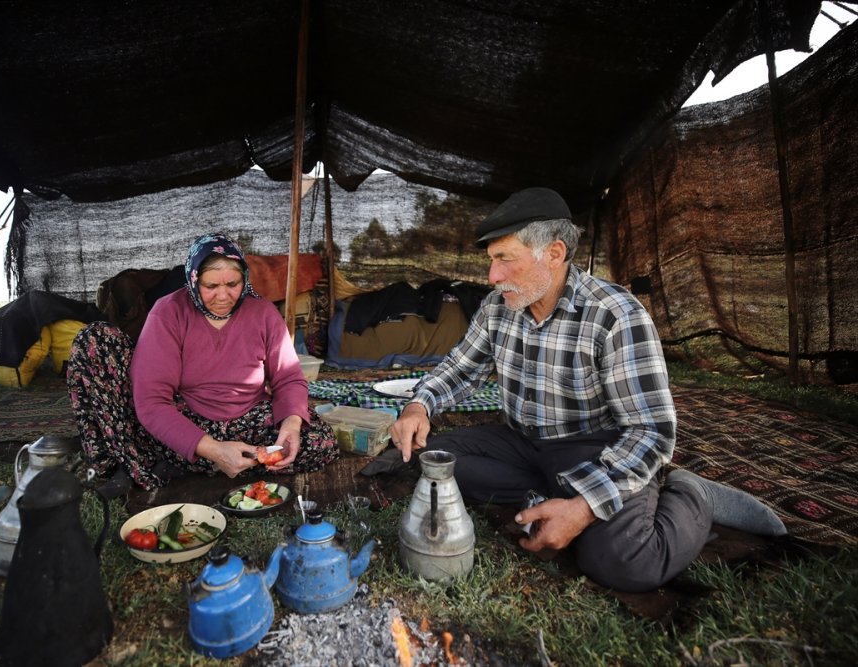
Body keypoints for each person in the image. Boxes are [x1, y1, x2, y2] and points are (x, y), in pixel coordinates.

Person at [388, 187, 785, 593]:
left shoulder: (616, 315)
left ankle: (692, 493)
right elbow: (459, 367)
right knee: (436, 461)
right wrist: (420, 404)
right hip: (522, 442)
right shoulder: (497, 307)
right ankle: (553, 491)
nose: (492, 277)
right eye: (491, 261)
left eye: (504, 259)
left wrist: (585, 506)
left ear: (555, 254)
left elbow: (652, 431)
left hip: (594, 448)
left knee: (625, 562)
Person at [67, 233, 339, 498]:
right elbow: (152, 403)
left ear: (244, 278)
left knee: (318, 441)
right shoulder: (168, 312)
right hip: (188, 418)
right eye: (211, 286)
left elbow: (288, 378)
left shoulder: (263, 313)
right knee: (95, 341)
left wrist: (290, 424)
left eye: (233, 284)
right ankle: (205, 458)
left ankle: (192, 462)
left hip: (248, 419)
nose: (223, 296)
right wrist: (212, 449)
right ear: (193, 280)